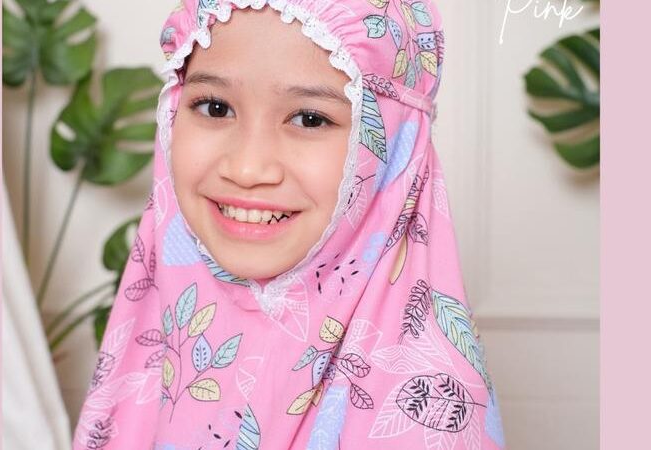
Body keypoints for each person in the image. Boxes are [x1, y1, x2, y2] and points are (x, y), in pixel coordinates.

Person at [72, 1, 507, 449]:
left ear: (393, 145)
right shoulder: (145, 358)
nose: (247, 168)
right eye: (216, 108)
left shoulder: (424, 418)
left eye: (309, 118)